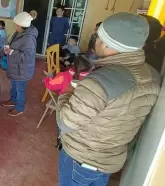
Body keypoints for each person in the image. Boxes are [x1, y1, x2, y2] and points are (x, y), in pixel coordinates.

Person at [56, 12, 160, 186]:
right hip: (109, 162)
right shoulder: (153, 75)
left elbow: (66, 122)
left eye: (97, 36)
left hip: (80, 159)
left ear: (105, 43)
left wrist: (67, 91)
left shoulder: (99, 82)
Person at [0, 12, 37, 117]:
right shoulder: (19, 33)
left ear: (20, 26)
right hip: (15, 67)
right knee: (13, 85)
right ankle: (13, 100)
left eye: (15, 24)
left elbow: (27, 57)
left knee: (20, 88)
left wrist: (11, 52)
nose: (14, 26)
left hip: (22, 69)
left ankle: (19, 107)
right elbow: (9, 45)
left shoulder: (28, 38)